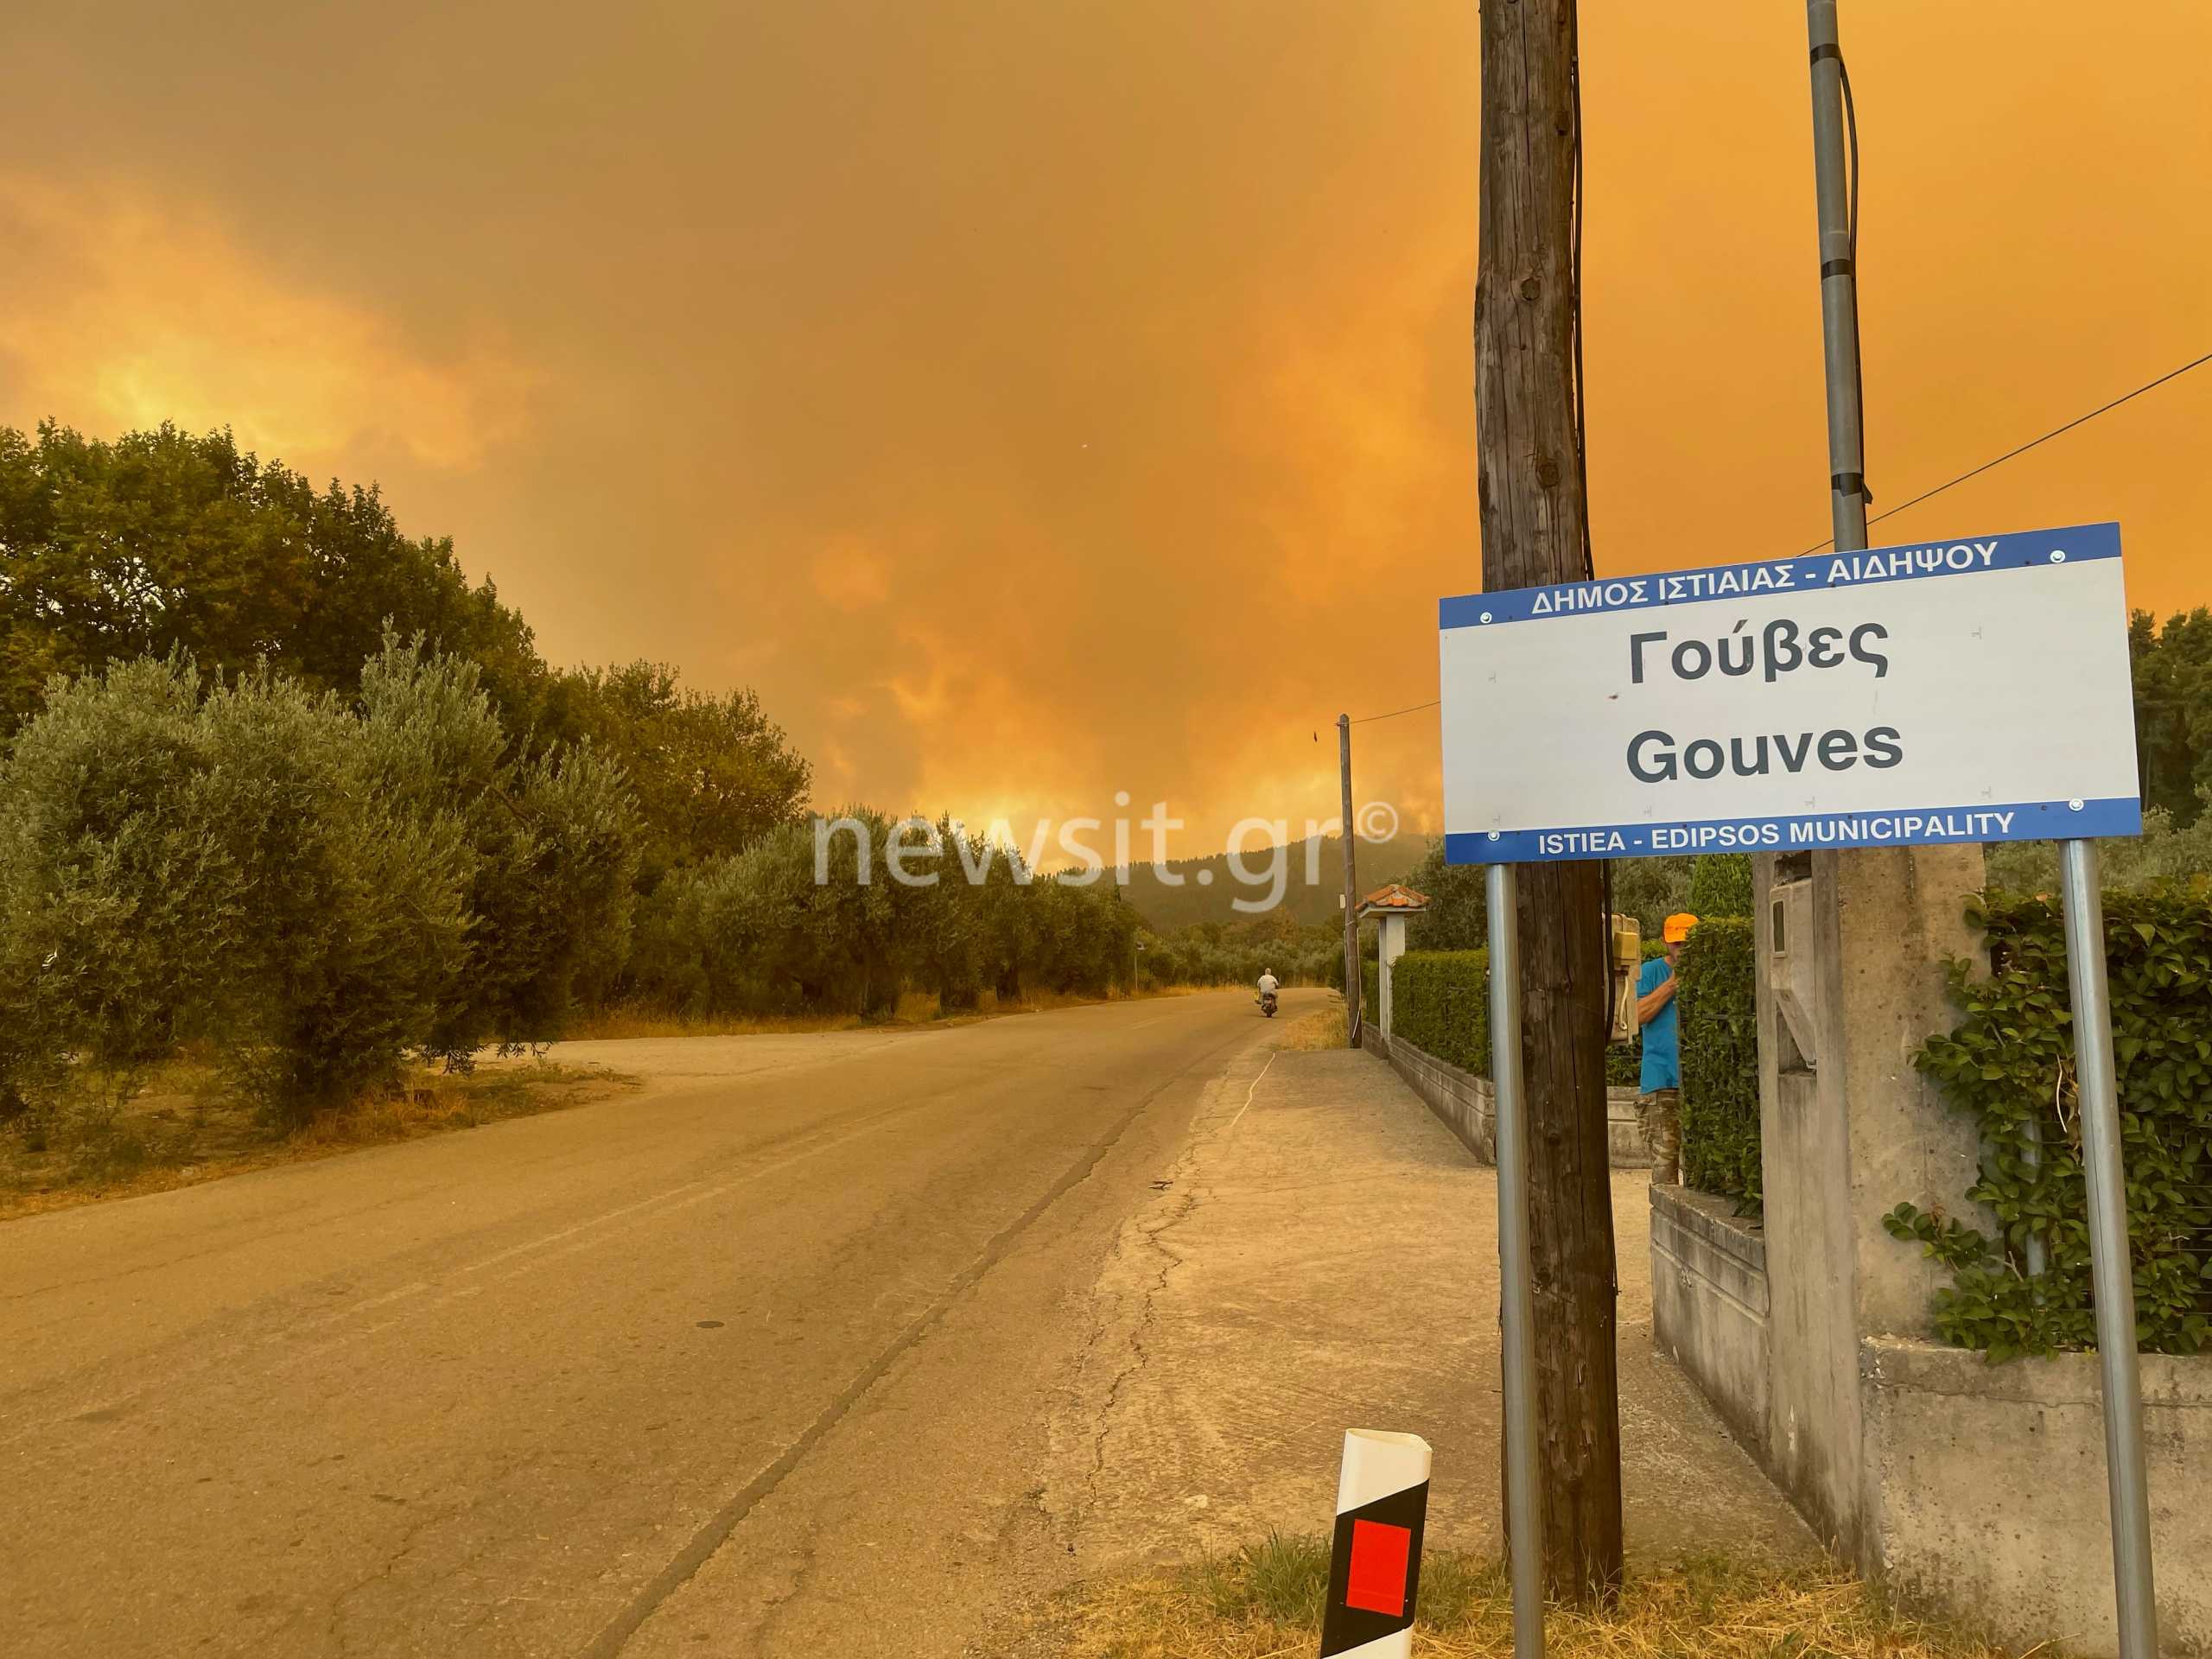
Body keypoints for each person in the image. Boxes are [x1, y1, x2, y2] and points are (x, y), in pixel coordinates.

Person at [1636, 912, 1698, 1185]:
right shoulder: (1650, 972)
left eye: (1687, 942)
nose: (1681, 948)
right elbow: (1637, 1015)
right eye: (1676, 943)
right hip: (1661, 1084)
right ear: (1664, 942)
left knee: (1701, 1166)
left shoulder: (1710, 972)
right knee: (1664, 1168)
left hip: (1697, 1084)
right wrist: (1672, 984)